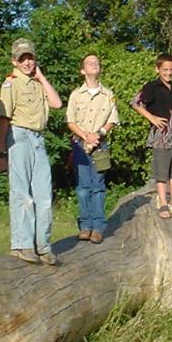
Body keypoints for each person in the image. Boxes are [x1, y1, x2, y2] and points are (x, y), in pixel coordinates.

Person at [0, 38, 63, 265]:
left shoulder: (37, 83)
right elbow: (3, 119)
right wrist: (2, 151)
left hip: (38, 139)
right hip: (19, 136)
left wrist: (41, 76)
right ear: (14, 61)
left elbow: (56, 103)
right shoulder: (11, 83)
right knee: (22, 194)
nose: (27, 63)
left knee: (43, 195)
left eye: (30, 58)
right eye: (22, 59)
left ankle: (43, 245)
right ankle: (22, 244)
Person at [65, 54, 120, 244]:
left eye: (96, 62)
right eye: (89, 62)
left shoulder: (108, 94)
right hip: (80, 145)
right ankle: (85, 226)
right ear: (83, 70)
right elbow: (70, 121)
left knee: (98, 186)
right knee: (83, 187)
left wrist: (99, 133)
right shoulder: (75, 95)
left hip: (100, 146)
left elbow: (113, 119)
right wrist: (85, 136)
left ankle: (98, 228)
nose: (94, 64)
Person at [131, 53, 172, 218]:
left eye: (171, 70)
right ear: (157, 69)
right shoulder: (152, 86)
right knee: (161, 171)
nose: (169, 73)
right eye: (165, 70)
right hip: (162, 135)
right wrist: (152, 118)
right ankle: (163, 202)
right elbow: (135, 103)